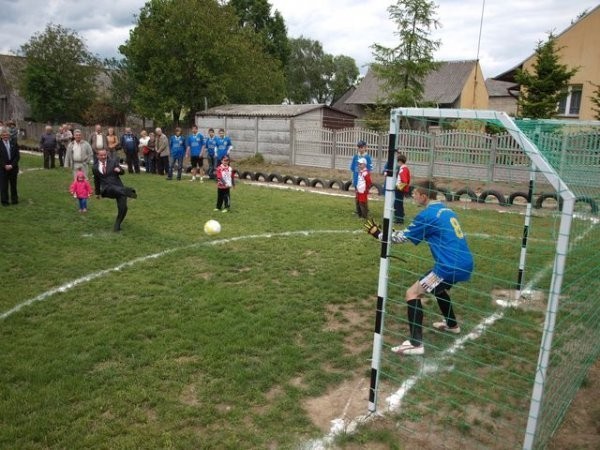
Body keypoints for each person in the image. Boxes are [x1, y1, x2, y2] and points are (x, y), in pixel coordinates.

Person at [364, 180, 474, 356]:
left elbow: (402, 238)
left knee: (412, 293)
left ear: (424, 196)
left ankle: (416, 344)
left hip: (448, 267)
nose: (412, 195)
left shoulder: (428, 215)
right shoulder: (447, 210)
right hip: (466, 263)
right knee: (438, 289)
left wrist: (379, 234)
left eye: (415, 193)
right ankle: (452, 325)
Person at [92, 148, 138, 232]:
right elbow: (96, 181)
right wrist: (97, 193)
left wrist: (119, 170)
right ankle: (129, 192)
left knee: (123, 208)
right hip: (107, 190)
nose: (103, 157)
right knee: (112, 188)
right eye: (101, 155)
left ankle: (117, 225)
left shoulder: (113, 162)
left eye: (104, 155)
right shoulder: (95, 167)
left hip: (119, 188)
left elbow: (122, 172)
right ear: (97, 156)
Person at [350, 140, 373, 215]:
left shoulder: (367, 157)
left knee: (363, 197)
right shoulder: (356, 156)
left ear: (365, 148)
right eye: (359, 147)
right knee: (357, 196)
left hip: (363, 181)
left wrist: (366, 181)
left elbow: (369, 170)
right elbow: (353, 168)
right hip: (357, 179)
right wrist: (353, 179)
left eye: (362, 147)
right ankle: (358, 211)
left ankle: (365, 211)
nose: (360, 149)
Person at [0, 127, 20, 206]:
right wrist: (4, 165)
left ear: (9, 135)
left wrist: (12, 165)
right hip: (2, 168)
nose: (5, 136)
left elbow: (17, 156)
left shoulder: (14, 143)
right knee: (4, 185)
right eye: (3, 135)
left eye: (7, 135)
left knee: (13, 185)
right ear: (1, 136)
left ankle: (14, 200)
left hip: (13, 168)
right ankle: (5, 201)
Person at [394, 153, 411, 224]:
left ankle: (399, 219)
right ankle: (399, 216)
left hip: (400, 190)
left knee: (398, 204)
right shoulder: (404, 169)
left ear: (400, 161)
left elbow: (405, 181)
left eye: (397, 162)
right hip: (400, 189)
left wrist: (399, 188)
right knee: (397, 203)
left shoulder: (403, 169)